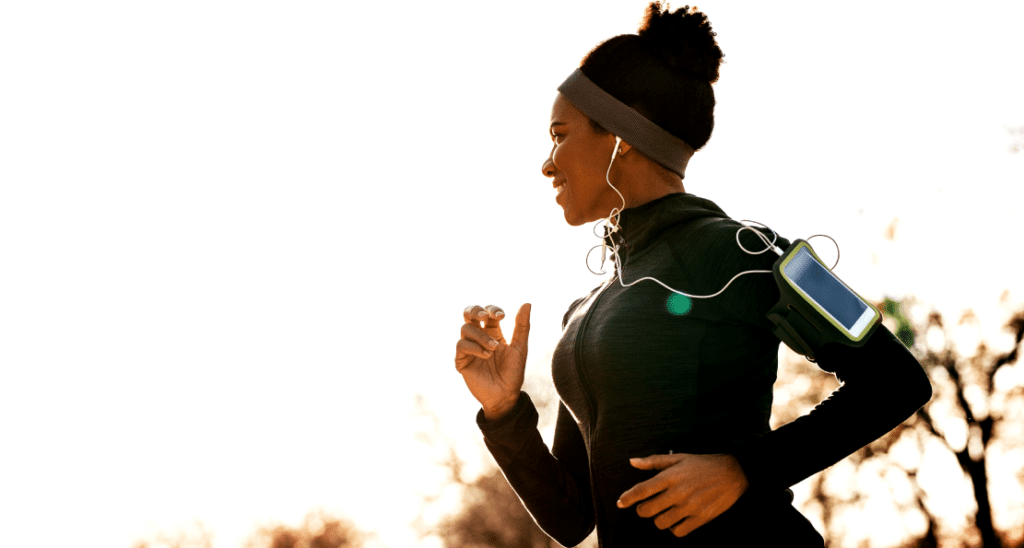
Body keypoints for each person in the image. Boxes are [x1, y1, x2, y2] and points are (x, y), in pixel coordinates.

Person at [453, 3, 932, 546]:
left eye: (559, 135)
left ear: (620, 136)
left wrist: (746, 468)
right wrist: (504, 411)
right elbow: (572, 518)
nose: (547, 162)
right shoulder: (583, 312)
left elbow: (897, 380)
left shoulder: (746, 250)